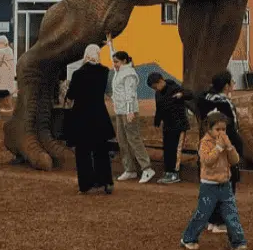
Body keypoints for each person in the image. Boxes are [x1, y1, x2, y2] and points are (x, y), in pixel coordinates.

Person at [180, 111, 248, 250]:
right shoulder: (204, 143)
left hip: (225, 185)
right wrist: (218, 147)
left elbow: (235, 160)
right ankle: (188, 238)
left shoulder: (225, 141)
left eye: (223, 129)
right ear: (209, 129)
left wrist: (229, 147)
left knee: (231, 214)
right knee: (202, 214)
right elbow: (207, 161)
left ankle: (238, 241)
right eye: (218, 129)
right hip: (209, 186)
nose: (221, 132)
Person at [194, 71, 243, 234]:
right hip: (222, 148)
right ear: (226, 85)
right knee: (226, 184)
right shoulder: (225, 103)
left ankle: (210, 219)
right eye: (232, 82)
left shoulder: (204, 99)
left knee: (209, 184)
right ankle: (220, 221)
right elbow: (232, 129)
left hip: (206, 145)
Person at [64, 44, 117, 194]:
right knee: (101, 150)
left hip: (81, 115)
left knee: (83, 151)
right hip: (99, 114)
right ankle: (106, 180)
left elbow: (72, 94)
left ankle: (86, 183)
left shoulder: (78, 73)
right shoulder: (104, 71)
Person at [111, 51, 155, 183]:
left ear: (124, 61)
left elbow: (130, 93)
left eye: (116, 62)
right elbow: (112, 55)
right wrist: (109, 44)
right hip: (119, 111)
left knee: (133, 139)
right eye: (114, 62)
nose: (114, 64)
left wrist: (130, 111)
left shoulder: (129, 74)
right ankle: (129, 169)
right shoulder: (119, 71)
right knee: (122, 140)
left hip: (129, 111)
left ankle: (147, 168)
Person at [149, 72, 191, 184]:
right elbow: (159, 108)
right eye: (154, 88)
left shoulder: (174, 87)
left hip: (179, 125)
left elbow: (189, 94)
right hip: (167, 125)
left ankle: (175, 173)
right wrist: (157, 121)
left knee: (176, 149)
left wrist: (181, 95)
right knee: (167, 149)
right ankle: (168, 171)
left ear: (161, 81)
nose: (156, 89)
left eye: (156, 86)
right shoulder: (158, 94)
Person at [0, 36, 17, 109]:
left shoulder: (0, 51)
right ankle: (10, 111)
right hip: (10, 77)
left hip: (2, 77)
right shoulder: (10, 50)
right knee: (8, 96)